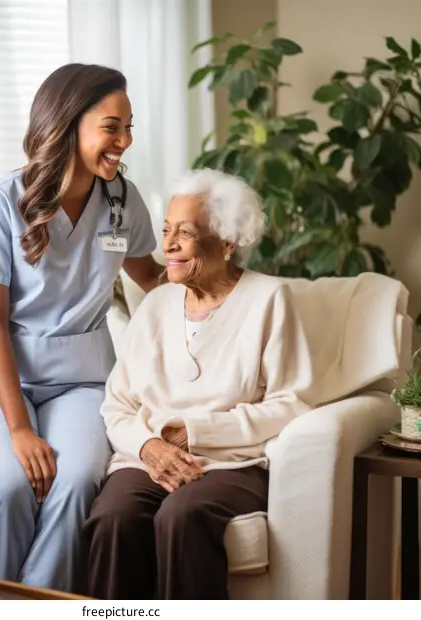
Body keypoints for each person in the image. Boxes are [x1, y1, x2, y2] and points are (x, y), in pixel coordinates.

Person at [0, 63, 164, 593]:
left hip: (84, 381)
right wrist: (20, 429)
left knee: (73, 483)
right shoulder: (1, 203)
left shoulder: (121, 200)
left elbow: (156, 281)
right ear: (68, 123)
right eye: (112, 127)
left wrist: (213, 268)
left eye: (129, 127)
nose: (125, 141)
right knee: (6, 486)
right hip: (0, 379)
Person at [82, 168, 315, 600]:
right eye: (166, 229)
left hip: (231, 462)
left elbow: (292, 402)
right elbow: (117, 404)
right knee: (113, 516)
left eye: (184, 234)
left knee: (182, 516)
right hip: (147, 456)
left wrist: (198, 432)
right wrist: (150, 447)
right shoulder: (155, 305)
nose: (166, 245)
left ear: (227, 242)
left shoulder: (270, 300)